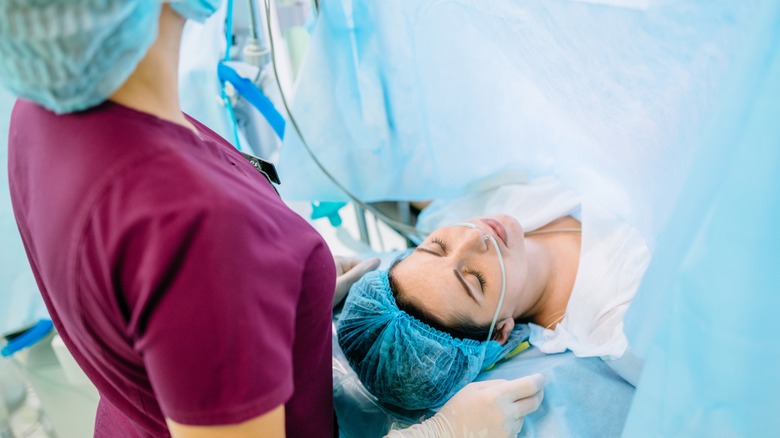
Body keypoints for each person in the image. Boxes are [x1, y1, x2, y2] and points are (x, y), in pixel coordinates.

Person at [0, 1, 544, 437]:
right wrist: (440, 433)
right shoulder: (202, 234)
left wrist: (273, 291)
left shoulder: (40, 115)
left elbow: (143, 297)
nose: (473, 239)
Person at [338, 176, 651, 411]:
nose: (475, 237)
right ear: (501, 331)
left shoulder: (470, 207)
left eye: (437, 247)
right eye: (475, 280)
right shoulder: (625, 324)